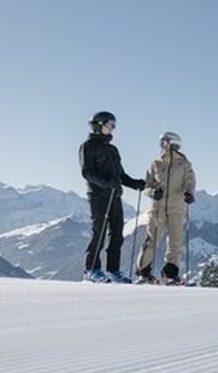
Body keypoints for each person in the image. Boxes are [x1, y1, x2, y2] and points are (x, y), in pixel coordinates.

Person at [79, 111, 146, 283]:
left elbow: (120, 176)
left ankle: (113, 271)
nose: (113, 129)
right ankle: (91, 270)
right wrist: (106, 183)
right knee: (99, 232)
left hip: (114, 196)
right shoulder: (88, 146)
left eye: (114, 126)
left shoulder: (112, 149)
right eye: (110, 125)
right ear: (99, 125)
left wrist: (136, 183)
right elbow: (87, 173)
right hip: (98, 196)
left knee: (117, 234)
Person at [136, 131, 196, 284]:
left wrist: (189, 193)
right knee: (152, 239)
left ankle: (170, 274)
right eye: (161, 143)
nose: (161, 146)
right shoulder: (155, 163)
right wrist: (152, 192)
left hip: (177, 207)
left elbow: (190, 182)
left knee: (175, 241)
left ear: (173, 144)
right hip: (158, 208)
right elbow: (146, 185)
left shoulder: (184, 164)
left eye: (164, 142)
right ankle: (143, 272)